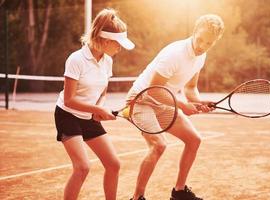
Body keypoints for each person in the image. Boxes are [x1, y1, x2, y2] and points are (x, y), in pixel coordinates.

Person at [127, 14, 224, 200]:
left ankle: (179, 192)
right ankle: (137, 197)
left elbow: (190, 88)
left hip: (163, 101)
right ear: (194, 31)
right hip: (141, 99)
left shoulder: (201, 57)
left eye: (209, 43)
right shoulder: (175, 53)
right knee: (159, 145)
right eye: (200, 40)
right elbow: (153, 90)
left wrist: (200, 102)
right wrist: (183, 106)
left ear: (215, 42)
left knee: (194, 140)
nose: (202, 46)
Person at [54, 8, 134, 200]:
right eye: (118, 43)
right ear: (105, 40)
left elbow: (102, 91)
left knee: (113, 164)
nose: (120, 48)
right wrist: (97, 109)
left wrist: (99, 107)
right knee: (82, 167)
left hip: (88, 116)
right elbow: (69, 99)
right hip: (67, 115)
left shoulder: (107, 61)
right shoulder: (76, 60)